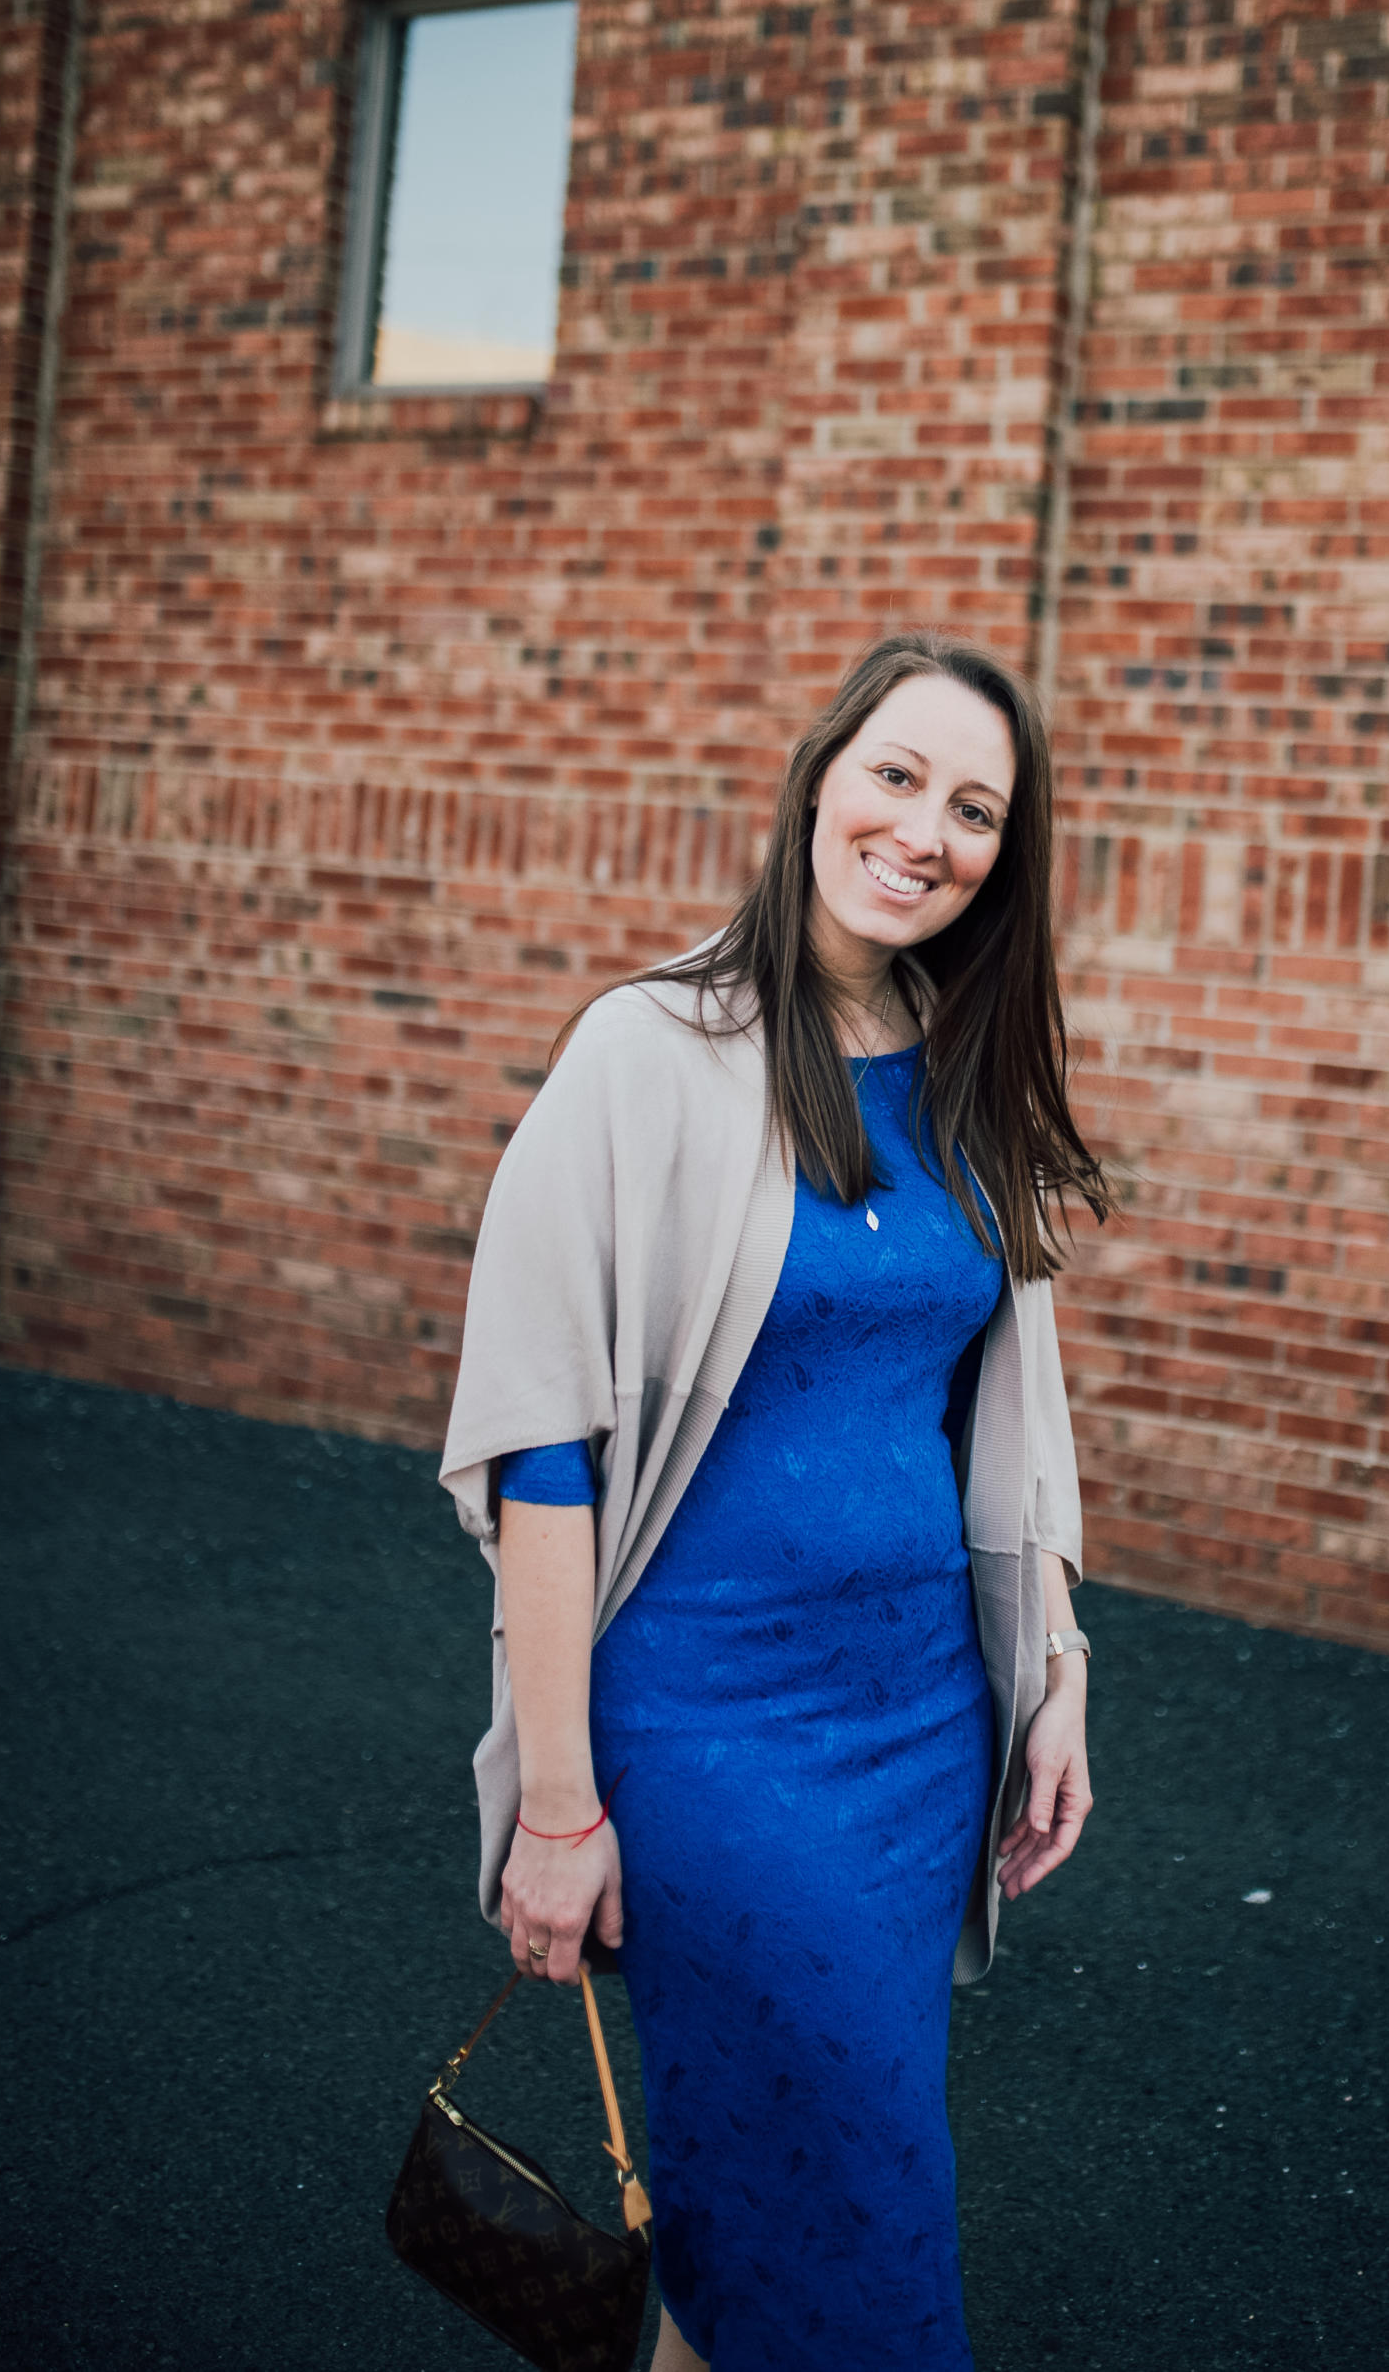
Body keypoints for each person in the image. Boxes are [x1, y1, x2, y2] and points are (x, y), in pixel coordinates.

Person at [438, 632, 1112, 2372]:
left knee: (756, 2219)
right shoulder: (646, 1052)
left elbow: (1008, 1420)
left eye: (976, 807)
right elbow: (540, 1446)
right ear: (821, 777)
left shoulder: (968, 1068)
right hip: (713, 1732)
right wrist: (564, 1803)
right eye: (897, 774)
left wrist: (1057, 1668)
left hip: (917, 1731)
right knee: (859, 2222)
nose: (926, 829)